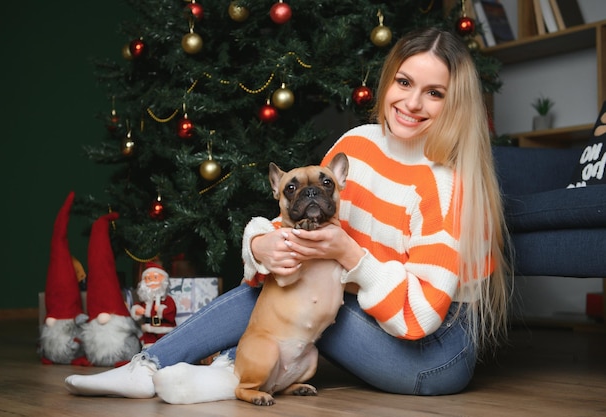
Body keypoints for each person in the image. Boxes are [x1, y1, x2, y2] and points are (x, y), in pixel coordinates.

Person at [64, 26, 511, 399]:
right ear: (388, 81)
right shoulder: (358, 143)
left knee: (290, 295)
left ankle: (172, 368)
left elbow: (419, 317)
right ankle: (178, 372)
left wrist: (350, 255)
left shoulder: (447, 184)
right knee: (287, 283)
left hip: (433, 355)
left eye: (434, 93)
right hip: (377, 317)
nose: (412, 104)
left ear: (455, 104)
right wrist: (262, 245)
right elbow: (295, 224)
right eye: (404, 83)